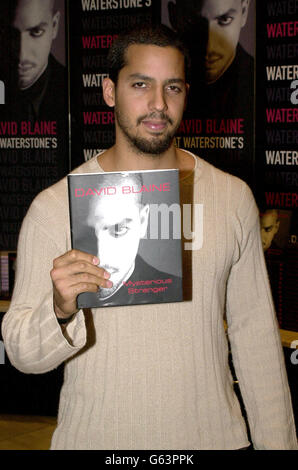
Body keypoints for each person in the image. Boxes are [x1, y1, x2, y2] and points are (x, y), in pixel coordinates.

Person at [2, 25, 297, 450]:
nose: (158, 104)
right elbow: (23, 355)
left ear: (185, 93)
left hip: (213, 439)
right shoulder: (56, 208)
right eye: (141, 84)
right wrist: (60, 309)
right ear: (109, 91)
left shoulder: (231, 198)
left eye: (172, 87)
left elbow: (257, 342)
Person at [78, 171, 182, 306]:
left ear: (143, 221)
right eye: (87, 234)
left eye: (119, 229)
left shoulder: (175, 291)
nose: (101, 257)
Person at [0, 0, 66, 121]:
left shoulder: (75, 91)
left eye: (36, 32)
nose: (22, 55)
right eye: (10, 34)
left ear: (55, 25)